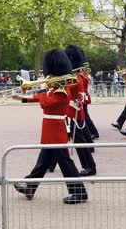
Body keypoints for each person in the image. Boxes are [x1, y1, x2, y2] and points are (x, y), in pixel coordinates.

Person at [11, 49, 88, 204]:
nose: (47, 78)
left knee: (65, 163)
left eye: (50, 76)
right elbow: (41, 97)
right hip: (50, 129)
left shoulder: (62, 91)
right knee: (43, 162)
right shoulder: (55, 89)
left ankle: (79, 192)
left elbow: (46, 102)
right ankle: (30, 187)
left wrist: (45, 89)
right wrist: (23, 98)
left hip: (56, 130)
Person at [64, 45, 97, 176]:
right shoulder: (76, 76)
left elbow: (66, 92)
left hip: (74, 112)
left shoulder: (76, 78)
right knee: (63, 139)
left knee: (79, 141)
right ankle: (50, 162)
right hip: (72, 111)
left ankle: (90, 166)